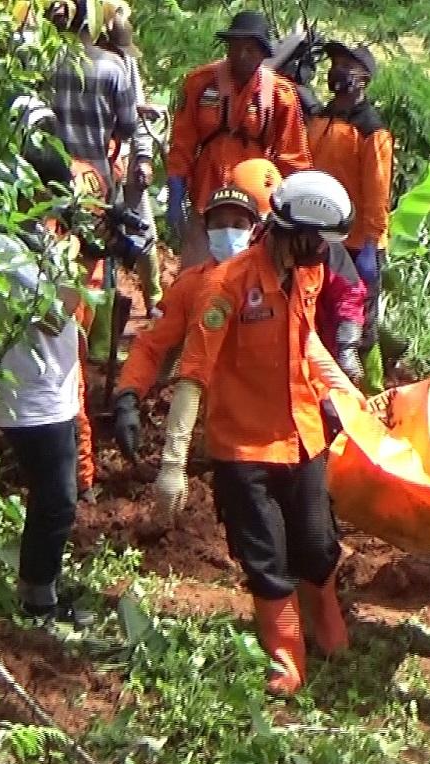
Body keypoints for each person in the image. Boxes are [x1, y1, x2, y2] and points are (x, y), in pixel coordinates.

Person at [153, 170, 365, 696]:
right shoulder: (225, 287)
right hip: (244, 448)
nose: (323, 252)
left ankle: (328, 632)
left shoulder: (308, 274)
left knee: (317, 547)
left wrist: (351, 398)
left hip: (304, 435)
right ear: (290, 231)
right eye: (317, 241)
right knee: (267, 558)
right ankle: (286, 659)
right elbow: (192, 374)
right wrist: (173, 462)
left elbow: (308, 343)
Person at [112, 159, 364, 456]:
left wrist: (342, 386)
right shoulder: (194, 286)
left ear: (259, 226)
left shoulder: (298, 272)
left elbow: (309, 344)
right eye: (219, 224)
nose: (228, 233)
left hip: (295, 422)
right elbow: (153, 345)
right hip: (237, 434)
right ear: (206, 229)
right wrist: (129, 393)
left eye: (238, 224)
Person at [0, 99, 95, 627]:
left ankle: (39, 588)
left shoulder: (34, 238)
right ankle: (35, 598)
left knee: (57, 499)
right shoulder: (2, 246)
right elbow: (53, 315)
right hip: (29, 397)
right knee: (56, 501)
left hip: (55, 390)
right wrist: (85, 259)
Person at [166, 10, 313, 269]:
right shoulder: (200, 83)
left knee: (251, 276)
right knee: (197, 272)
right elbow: (183, 140)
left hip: (256, 200)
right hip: (207, 194)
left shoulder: (280, 94)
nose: (242, 54)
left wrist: (295, 210)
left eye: (250, 48)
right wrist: (175, 189)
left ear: (263, 52)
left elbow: (294, 157)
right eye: (236, 46)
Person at [45, 0, 139, 363]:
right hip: (95, 179)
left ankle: (62, 341)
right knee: (97, 259)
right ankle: (95, 346)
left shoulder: (46, 63)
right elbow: (128, 125)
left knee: (54, 257)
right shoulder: (112, 68)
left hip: (51, 178)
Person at [306, 41, 392, 379]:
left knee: (358, 331)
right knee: (322, 317)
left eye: (347, 65)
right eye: (335, 63)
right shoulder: (321, 119)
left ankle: (368, 395)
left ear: (365, 79)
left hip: (358, 244)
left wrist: (371, 243)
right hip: (320, 236)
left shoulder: (372, 129)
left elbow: (377, 190)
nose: (337, 70)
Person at [98, 13, 165, 316]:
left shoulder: (126, 64)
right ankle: (103, 323)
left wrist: (144, 157)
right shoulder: (84, 61)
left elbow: (138, 118)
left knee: (144, 229)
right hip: (96, 164)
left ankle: (155, 301)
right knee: (102, 241)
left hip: (125, 158)